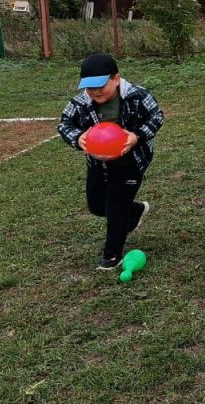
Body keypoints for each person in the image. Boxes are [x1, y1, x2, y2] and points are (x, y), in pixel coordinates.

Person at [58, 53, 165, 270]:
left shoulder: (137, 95)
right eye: (90, 87)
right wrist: (78, 138)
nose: (95, 91)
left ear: (116, 79)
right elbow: (64, 124)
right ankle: (134, 211)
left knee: (116, 207)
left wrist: (136, 136)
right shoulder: (81, 102)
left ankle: (112, 255)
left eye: (100, 85)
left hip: (131, 163)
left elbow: (156, 117)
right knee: (97, 206)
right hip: (98, 164)